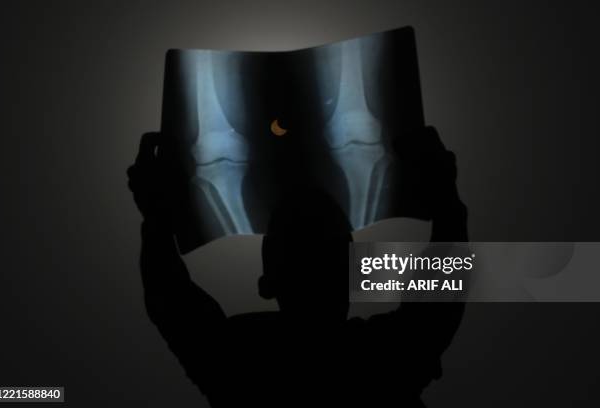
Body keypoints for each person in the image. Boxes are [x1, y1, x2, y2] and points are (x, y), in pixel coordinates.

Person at [127, 126, 468, 407]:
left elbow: (169, 300)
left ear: (267, 283)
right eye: (302, 243)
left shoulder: (241, 365)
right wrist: (446, 202)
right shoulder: (384, 360)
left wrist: (157, 218)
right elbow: (437, 306)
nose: (314, 254)